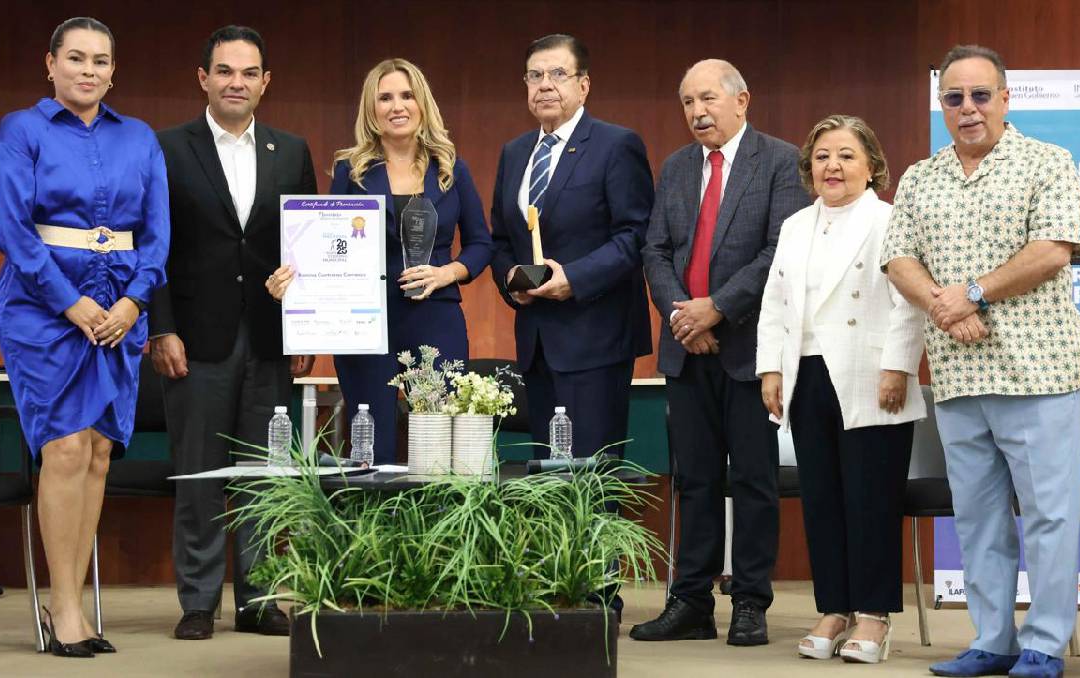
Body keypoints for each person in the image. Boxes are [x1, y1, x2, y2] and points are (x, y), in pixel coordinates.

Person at [882, 45, 1080, 678]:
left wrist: (969, 293)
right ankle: (992, 639)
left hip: (1038, 372)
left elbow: (1052, 250)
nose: (967, 109)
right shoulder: (920, 176)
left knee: (1048, 516)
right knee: (976, 517)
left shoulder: (1048, 162)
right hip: (959, 374)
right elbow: (899, 259)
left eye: (979, 95)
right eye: (954, 97)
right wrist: (947, 309)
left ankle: (1045, 644)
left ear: (1005, 97)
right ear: (940, 103)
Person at [0, 16, 168, 657]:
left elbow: (157, 235)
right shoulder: (22, 131)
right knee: (62, 449)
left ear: (114, 71)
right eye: (76, 58)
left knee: (95, 452)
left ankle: (77, 604)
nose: (88, 70)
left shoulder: (140, 138)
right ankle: (62, 606)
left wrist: (131, 301)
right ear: (51, 64)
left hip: (120, 310)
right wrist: (72, 305)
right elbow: (12, 231)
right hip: (42, 310)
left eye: (101, 61)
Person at [149, 25, 317, 641]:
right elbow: (154, 248)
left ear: (265, 82)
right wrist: (159, 327)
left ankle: (257, 600)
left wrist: (306, 329)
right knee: (199, 475)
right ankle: (198, 602)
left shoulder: (291, 150)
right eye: (224, 71)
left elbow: (308, 252)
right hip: (194, 339)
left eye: (249, 73)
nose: (236, 83)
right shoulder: (166, 149)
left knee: (262, 475)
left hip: (271, 339)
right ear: (203, 79)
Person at [634, 59, 809, 646]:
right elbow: (655, 251)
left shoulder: (782, 161)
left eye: (707, 98)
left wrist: (717, 308)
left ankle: (751, 603)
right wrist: (686, 315)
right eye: (686, 102)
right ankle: (690, 602)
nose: (696, 112)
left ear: (742, 100)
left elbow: (777, 252)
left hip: (750, 350)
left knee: (754, 479)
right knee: (695, 480)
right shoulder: (677, 166)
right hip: (688, 349)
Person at [756, 115, 926, 664]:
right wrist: (771, 369)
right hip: (806, 375)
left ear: (873, 166)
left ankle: (873, 616)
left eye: (847, 155)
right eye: (823, 155)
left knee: (870, 499)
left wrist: (898, 366)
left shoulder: (890, 219)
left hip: (869, 375)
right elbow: (776, 303)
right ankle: (833, 607)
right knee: (823, 500)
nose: (833, 165)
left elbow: (908, 302)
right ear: (809, 168)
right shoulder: (795, 225)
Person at [266, 58, 493, 463]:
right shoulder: (349, 171)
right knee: (373, 445)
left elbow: (480, 244)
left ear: (422, 103)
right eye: (384, 98)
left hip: (434, 316)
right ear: (371, 110)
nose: (396, 106)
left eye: (406, 95)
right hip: (363, 322)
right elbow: (328, 247)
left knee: (437, 447)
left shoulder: (452, 168)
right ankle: (375, 527)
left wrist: (447, 273)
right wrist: (297, 286)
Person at [489, 33, 653, 462]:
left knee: (590, 487)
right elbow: (501, 239)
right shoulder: (515, 152)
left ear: (583, 85)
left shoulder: (616, 145)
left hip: (595, 338)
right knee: (545, 486)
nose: (545, 84)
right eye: (534, 75)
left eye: (558, 74)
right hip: (537, 341)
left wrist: (573, 279)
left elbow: (636, 235)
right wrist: (511, 280)